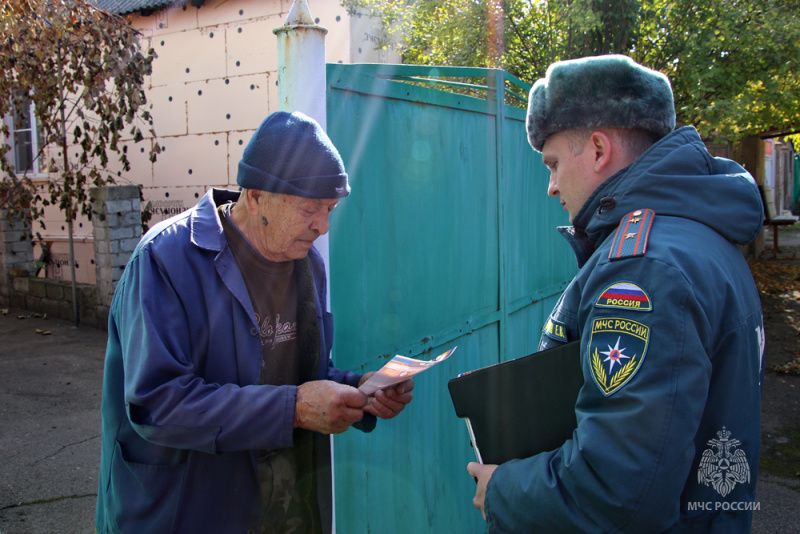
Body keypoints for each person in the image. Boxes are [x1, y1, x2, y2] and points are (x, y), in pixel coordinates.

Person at [468, 55, 765, 532]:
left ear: (600, 150)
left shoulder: (644, 270)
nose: (551, 186)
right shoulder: (700, 238)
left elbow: (620, 493)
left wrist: (503, 489)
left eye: (554, 163)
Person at [95, 111, 414, 534]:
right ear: (256, 196)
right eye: (309, 209)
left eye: (330, 209)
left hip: (288, 510)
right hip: (186, 512)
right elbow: (157, 403)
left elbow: (302, 374)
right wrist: (295, 409)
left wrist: (359, 390)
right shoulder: (165, 259)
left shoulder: (306, 265)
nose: (322, 226)